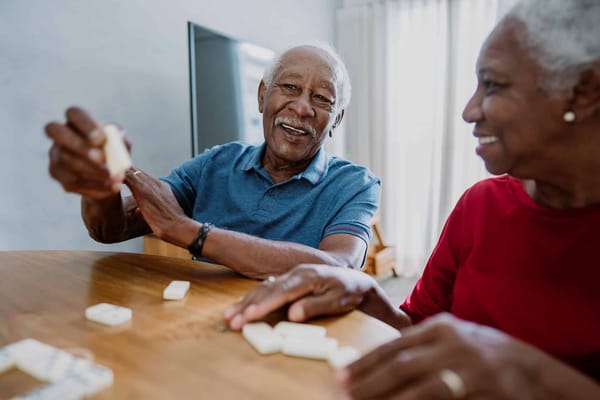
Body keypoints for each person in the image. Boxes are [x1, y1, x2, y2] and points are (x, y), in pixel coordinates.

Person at [224, 0, 600, 397]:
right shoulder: (481, 206)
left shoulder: (353, 182)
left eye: (493, 85)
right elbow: (415, 328)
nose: (469, 111)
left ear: (582, 93)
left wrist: (530, 374)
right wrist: (366, 292)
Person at [45, 44, 380, 279]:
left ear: (336, 119)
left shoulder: (355, 184)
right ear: (263, 95)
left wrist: (190, 232)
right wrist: (100, 187)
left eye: (322, 98)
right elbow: (109, 229)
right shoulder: (216, 164)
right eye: (290, 87)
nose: (303, 107)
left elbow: (338, 268)